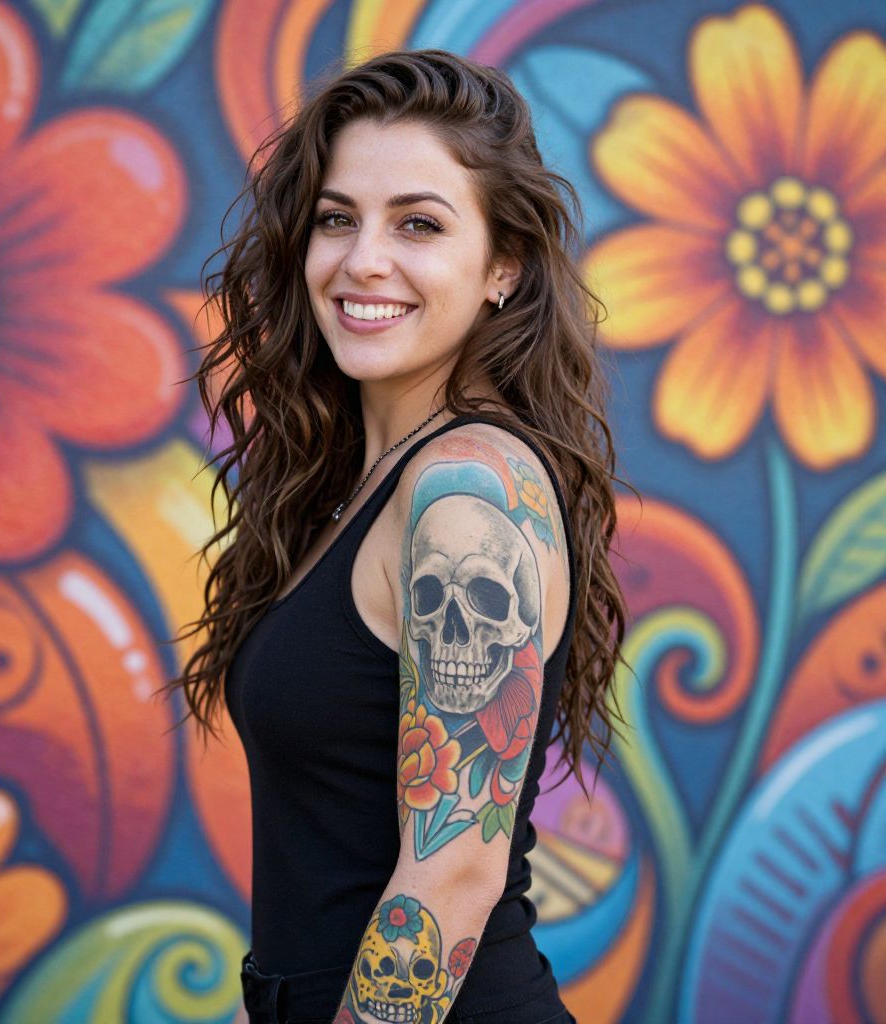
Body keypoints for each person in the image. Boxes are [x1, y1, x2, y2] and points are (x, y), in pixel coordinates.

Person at [166, 48, 631, 1024]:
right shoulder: (368, 480)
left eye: (417, 223)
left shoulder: (468, 490)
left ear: (502, 266)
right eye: (338, 218)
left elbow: (455, 869)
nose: (362, 258)